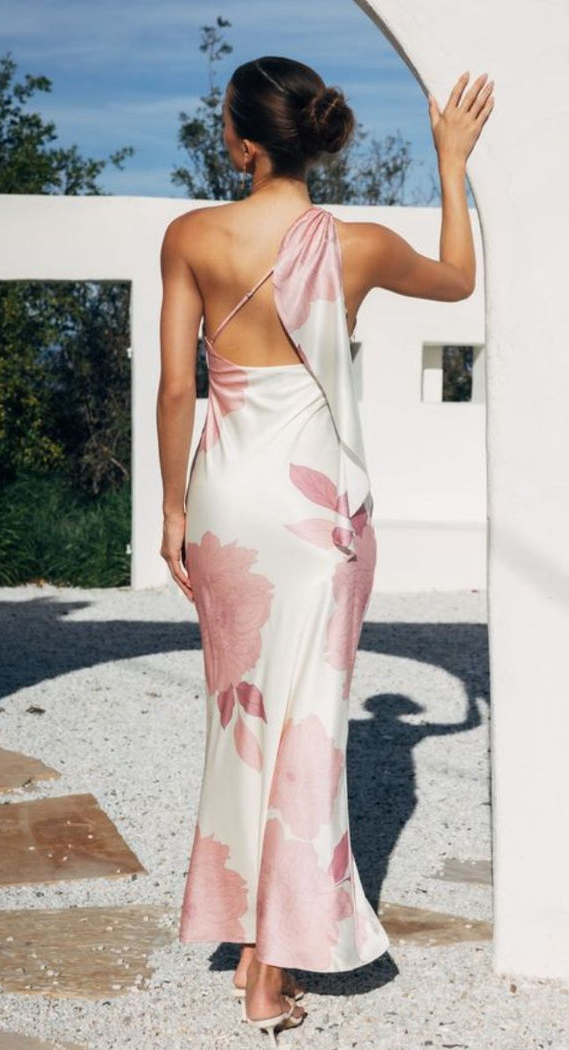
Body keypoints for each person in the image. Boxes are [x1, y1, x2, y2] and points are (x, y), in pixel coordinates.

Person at [157, 55, 493, 1044]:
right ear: (315, 135)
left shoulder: (191, 235)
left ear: (241, 142)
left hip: (226, 505)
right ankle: (269, 964)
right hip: (316, 512)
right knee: (306, 727)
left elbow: (178, 389)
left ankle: (252, 938)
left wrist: (172, 512)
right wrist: (449, 160)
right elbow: (459, 280)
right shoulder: (360, 246)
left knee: (241, 721)